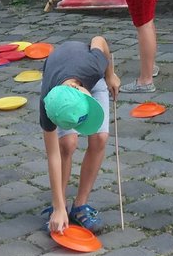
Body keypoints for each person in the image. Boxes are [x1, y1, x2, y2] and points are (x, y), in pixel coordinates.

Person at [39, 35, 121, 236]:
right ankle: (60, 205)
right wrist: (58, 208)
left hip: (91, 79)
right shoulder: (48, 104)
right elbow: (53, 156)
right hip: (60, 82)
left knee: (100, 138)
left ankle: (80, 205)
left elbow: (99, 39)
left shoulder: (93, 65)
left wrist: (110, 74)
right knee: (66, 144)